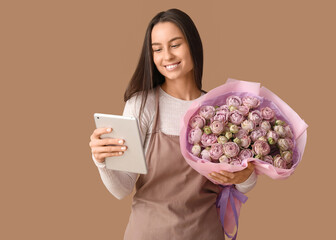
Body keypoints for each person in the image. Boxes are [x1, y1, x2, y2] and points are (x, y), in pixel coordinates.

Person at [89, 8, 257, 240]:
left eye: (175, 45)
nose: (166, 56)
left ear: (193, 45)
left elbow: (243, 187)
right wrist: (101, 162)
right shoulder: (142, 105)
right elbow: (122, 189)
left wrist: (244, 177)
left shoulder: (222, 111)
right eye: (157, 49)